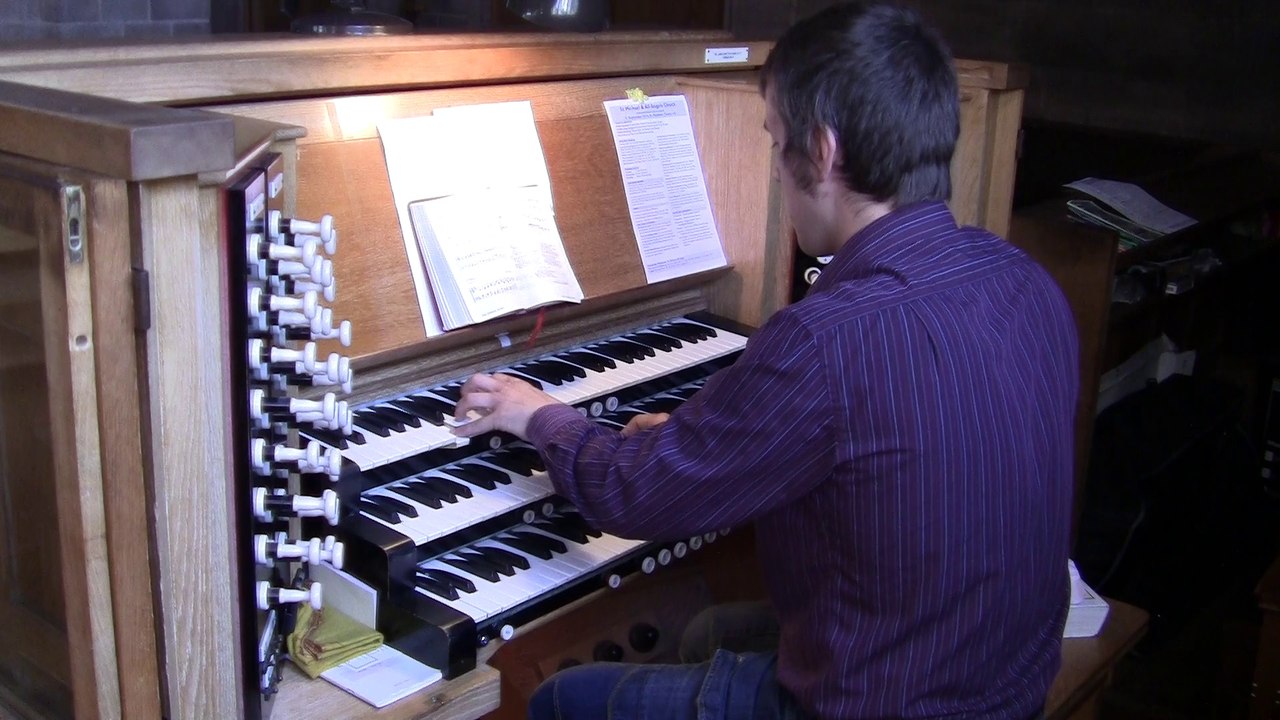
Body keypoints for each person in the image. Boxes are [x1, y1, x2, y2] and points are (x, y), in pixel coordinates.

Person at [451, 2, 1080, 717]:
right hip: (1002, 681)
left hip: (892, 703)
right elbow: (887, 449)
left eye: (777, 144)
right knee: (709, 630)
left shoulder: (828, 339)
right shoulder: (1024, 282)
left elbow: (635, 496)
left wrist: (539, 416)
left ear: (823, 151)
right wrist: (703, 439)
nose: (776, 176)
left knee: (563, 700)